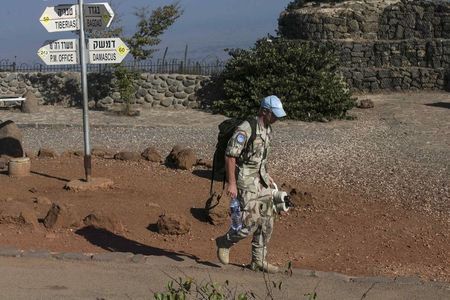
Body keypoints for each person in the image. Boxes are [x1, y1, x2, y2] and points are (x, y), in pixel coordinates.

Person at [215, 95, 287, 273]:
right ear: (264, 111)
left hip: (260, 179)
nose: (277, 118)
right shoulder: (246, 128)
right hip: (245, 180)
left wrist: (267, 176)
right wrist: (231, 184)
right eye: (274, 114)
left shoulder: (268, 129)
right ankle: (225, 241)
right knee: (250, 221)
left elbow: (261, 157)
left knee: (267, 219)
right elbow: (231, 156)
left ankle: (258, 260)